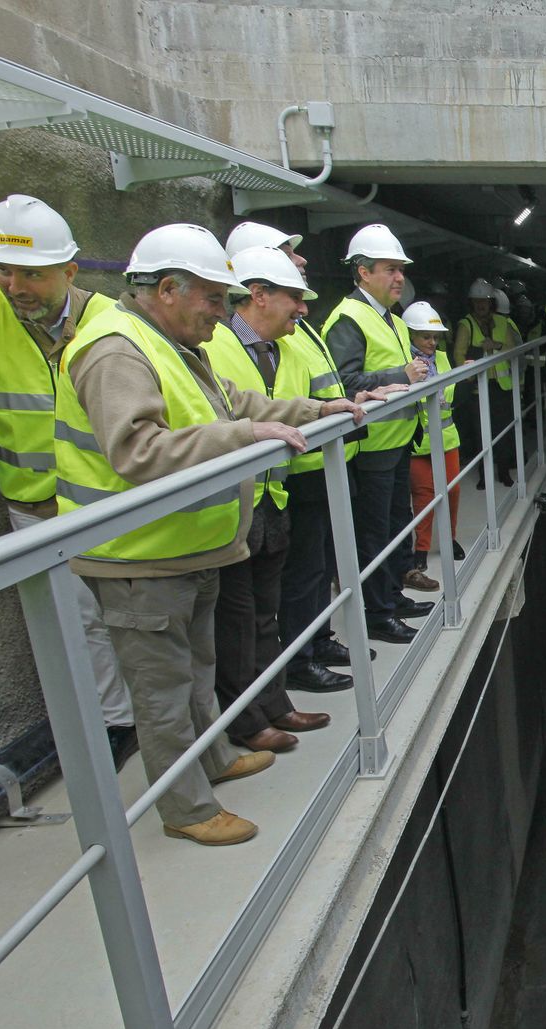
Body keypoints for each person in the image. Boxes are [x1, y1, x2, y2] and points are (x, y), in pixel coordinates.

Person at [55, 223, 364, 846]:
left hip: (186, 547)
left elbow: (236, 403)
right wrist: (243, 439)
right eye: (215, 299)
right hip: (138, 557)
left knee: (197, 668)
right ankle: (188, 809)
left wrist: (315, 410)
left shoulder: (165, 341)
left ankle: (214, 757)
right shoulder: (116, 351)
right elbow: (137, 450)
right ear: (168, 288)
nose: (223, 315)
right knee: (163, 690)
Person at [0, 195, 135, 736]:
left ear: (69, 271)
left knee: (133, 619)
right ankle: (115, 729)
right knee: (76, 625)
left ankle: (148, 722)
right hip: (34, 505)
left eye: (31, 273)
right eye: (3, 270)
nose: (14, 286)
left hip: (111, 502)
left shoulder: (113, 319)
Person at [204, 246, 333, 752]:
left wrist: (324, 406)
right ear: (258, 295)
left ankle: (276, 703)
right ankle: (246, 722)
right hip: (232, 508)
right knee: (236, 619)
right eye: (294, 297)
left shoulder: (276, 347)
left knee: (264, 612)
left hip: (271, 497)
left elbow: (262, 403)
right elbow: (225, 414)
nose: (302, 308)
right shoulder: (213, 344)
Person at [323, 224, 433, 642]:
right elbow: (344, 381)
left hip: (396, 442)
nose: (399, 278)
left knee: (393, 524)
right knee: (373, 533)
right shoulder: (349, 318)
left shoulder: (386, 317)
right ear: (363, 272)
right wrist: (399, 373)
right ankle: (378, 613)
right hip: (370, 448)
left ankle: (391, 594)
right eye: (390, 269)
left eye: (401, 270)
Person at [402, 301, 465, 577]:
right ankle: (422, 549)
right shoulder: (404, 363)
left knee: (452, 490)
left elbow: (448, 393)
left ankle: (449, 540)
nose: (432, 341)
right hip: (418, 443)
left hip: (447, 438)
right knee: (424, 496)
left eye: (435, 337)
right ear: (410, 336)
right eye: (425, 336)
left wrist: (464, 370)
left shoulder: (442, 358)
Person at [451, 280, 522, 487]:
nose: (481, 305)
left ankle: (504, 472)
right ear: (471, 303)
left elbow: (513, 349)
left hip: (501, 387)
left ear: (492, 303)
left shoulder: (502, 323)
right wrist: (470, 374)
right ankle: (484, 476)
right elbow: (458, 354)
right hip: (477, 388)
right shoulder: (466, 324)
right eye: (477, 302)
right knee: (481, 432)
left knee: (504, 430)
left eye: (485, 302)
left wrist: (496, 345)